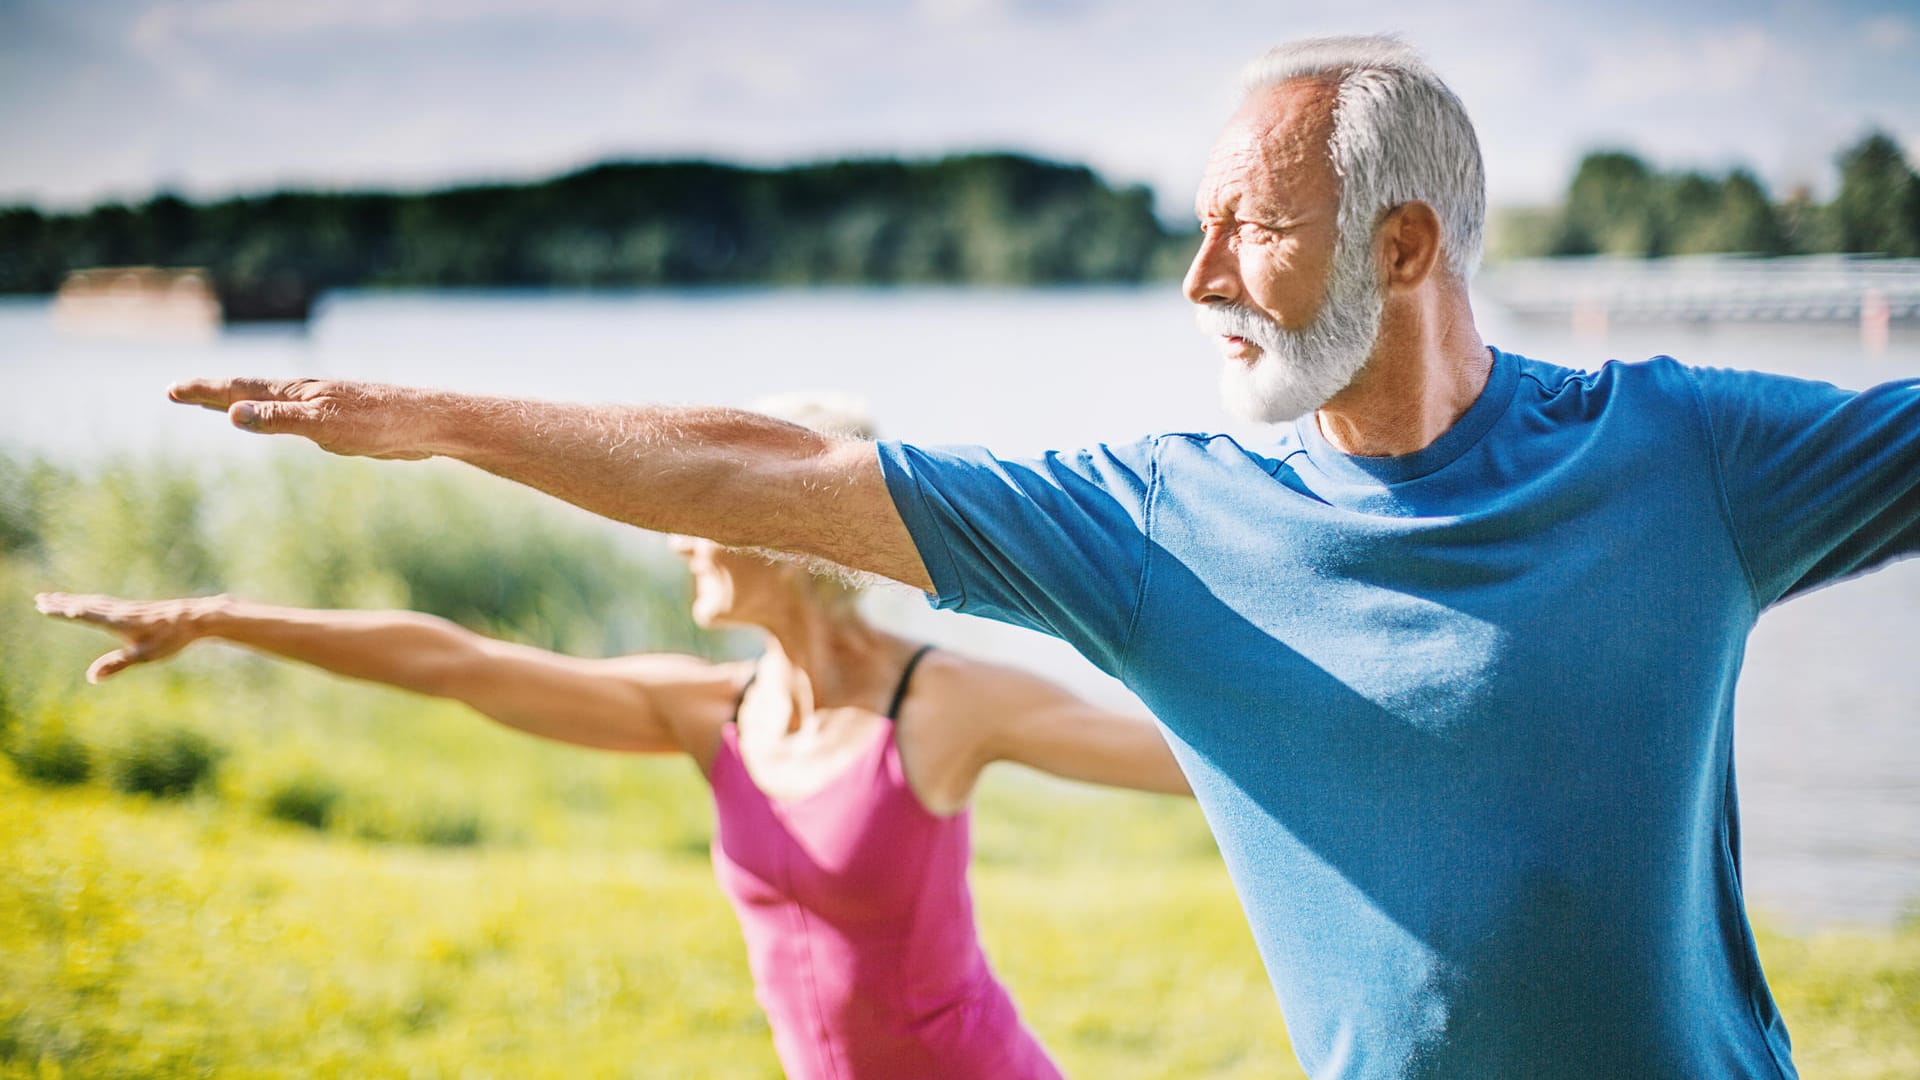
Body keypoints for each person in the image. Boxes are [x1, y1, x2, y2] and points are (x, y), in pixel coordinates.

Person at [161, 34, 1919, 1080]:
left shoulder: (1685, 453)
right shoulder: (1161, 528)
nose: (1202, 277)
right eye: (1198, 223)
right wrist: (442, 417)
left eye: (1257, 227)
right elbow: (773, 468)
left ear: (1402, 243)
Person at [37, 398, 1189, 1080]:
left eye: (702, 520)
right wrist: (220, 618)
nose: (680, 543)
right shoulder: (711, 714)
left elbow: (1180, 762)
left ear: (786, 537)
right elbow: (457, 665)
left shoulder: (940, 707)